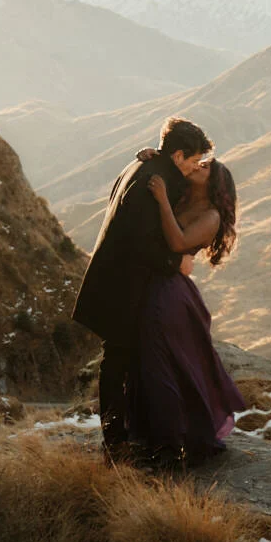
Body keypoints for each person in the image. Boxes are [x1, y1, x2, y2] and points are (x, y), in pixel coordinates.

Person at [70, 116, 214, 461]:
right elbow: (141, 242)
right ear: (178, 155)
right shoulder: (159, 180)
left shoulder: (141, 165)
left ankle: (127, 435)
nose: (194, 167)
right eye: (193, 160)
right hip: (124, 287)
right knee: (117, 362)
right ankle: (116, 442)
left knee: (122, 360)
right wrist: (176, 262)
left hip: (113, 281)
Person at [130, 153, 245, 466]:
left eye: (205, 166)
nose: (198, 165)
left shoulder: (211, 216)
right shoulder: (181, 192)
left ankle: (169, 445)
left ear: (214, 182)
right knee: (155, 363)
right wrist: (157, 156)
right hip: (155, 282)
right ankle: (156, 438)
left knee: (162, 365)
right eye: (198, 161)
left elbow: (179, 243)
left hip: (170, 294)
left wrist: (162, 200)